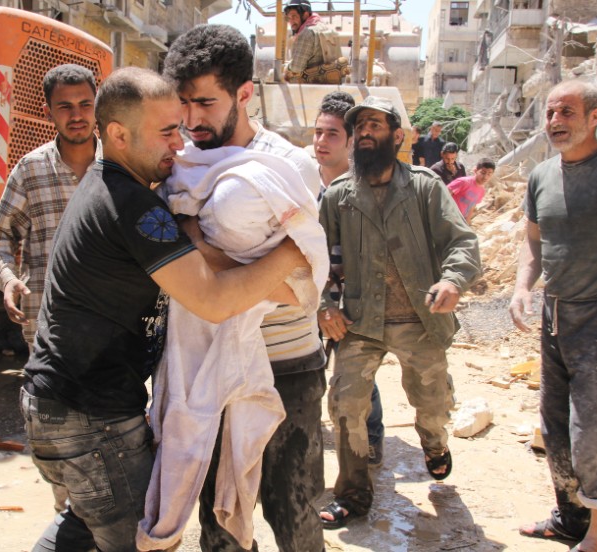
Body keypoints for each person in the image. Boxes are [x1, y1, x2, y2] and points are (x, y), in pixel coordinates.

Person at [20, 66, 309, 552]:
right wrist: (294, 252)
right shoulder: (131, 204)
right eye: (166, 131)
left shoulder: (107, 184)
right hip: (92, 417)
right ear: (117, 134)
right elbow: (214, 300)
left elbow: (208, 267)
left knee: (80, 527)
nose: (179, 144)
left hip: (53, 404)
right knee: (149, 542)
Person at [163, 24, 327, 552]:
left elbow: (301, 284)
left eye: (206, 103)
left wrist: (201, 252)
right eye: (183, 104)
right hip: (206, 370)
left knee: (295, 515)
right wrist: (224, 268)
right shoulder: (179, 166)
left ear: (245, 93)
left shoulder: (288, 167)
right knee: (220, 523)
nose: (192, 120)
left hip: (288, 365)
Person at [317, 95, 481, 529]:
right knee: (346, 405)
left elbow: (462, 243)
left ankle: (434, 443)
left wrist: (452, 280)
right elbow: (315, 260)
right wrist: (324, 304)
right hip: (359, 323)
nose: (366, 132)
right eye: (360, 126)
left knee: (432, 401)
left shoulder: (426, 186)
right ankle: (352, 494)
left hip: (421, 320)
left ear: (398, 135)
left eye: (375, 124)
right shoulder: (338, 196)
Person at [508, 81, 597, 552]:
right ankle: (570, 520)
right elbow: (534, 239)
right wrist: (523, 286)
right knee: (556, 424)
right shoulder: (542, 174)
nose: (556, 122)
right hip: (557, 316)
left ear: (595, 116)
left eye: (567, 112)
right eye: (549, 113)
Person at [0, 63, 99, 513]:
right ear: (50, 112)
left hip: (111, 327)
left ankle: (104, 517)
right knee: (54, 431)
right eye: (65, 107)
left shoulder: (119, 168)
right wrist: (7, 278)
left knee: (111, 427)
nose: (77, 115)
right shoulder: (30, 171)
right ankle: (68, 515)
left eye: (86, 104)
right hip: (46, 327)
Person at [311, 94, 386, 467]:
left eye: (333, 135)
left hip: (353, 303)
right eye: (318, 132)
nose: (321, 142)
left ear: (353, 140)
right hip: (310, 298)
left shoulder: (369, 190)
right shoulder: (301, 182)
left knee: (358, 378)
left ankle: (369, 445)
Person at [283, 0, 348, 84]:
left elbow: (296, 68)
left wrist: (286, 68)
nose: (291, 21)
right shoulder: (325, 28)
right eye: (289, 18)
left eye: (294, 16)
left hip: (310, 88)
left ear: (305, 15)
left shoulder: (306, 33)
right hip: (332, 85)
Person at [447, 157, 495, 224]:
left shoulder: (481, 191)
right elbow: (444, 194)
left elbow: (472, 207)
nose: (485, 177)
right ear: (475, 170)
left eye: (489, 174)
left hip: (460, 222)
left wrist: (467, 223)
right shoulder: (463, 182)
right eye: (483, 173)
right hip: (448, 218)